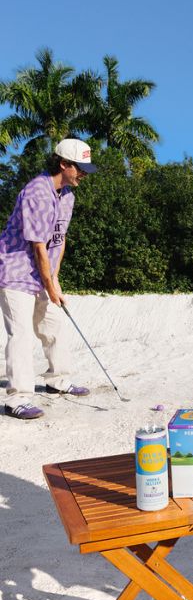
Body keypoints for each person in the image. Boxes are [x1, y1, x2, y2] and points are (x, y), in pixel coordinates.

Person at [0, 138, 98, 420]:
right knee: (20, 334)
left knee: (53, 324)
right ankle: (17, 398)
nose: (84, 174)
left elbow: (60, 238)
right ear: (63, 164)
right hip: (16, 270)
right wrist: (48, 282)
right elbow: (38, 245)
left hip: (42, 271)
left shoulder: (67, 195)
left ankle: (58, 380)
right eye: (80, 168)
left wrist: (54, 278)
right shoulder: (37, 192)